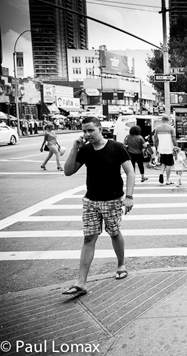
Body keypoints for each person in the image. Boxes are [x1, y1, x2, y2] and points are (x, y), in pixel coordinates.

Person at [61, 116, 135, 296]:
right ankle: (81, 282)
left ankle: (121, 264)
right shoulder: (85, 150)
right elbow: (68, 171)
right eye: (84, 131)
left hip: (112, 200)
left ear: (100, 129)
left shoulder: (116, 147)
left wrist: (129, 196)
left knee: (114, 232)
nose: (87, 134)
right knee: (88, 238)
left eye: (90, 130)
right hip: (90, 201)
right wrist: (74, 149)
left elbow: (130, 171)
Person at [154, 114, 177, 185]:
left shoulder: (157, 128)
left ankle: (161, 173)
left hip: (161, 148)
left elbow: (156, 140)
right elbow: (173, 139)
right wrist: (176, 146)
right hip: (169, 148)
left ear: (162, 120)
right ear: (168, 120)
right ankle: (167, 180)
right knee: (169, 164)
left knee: (163, 162)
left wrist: (157, 148)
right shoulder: (171, 128)